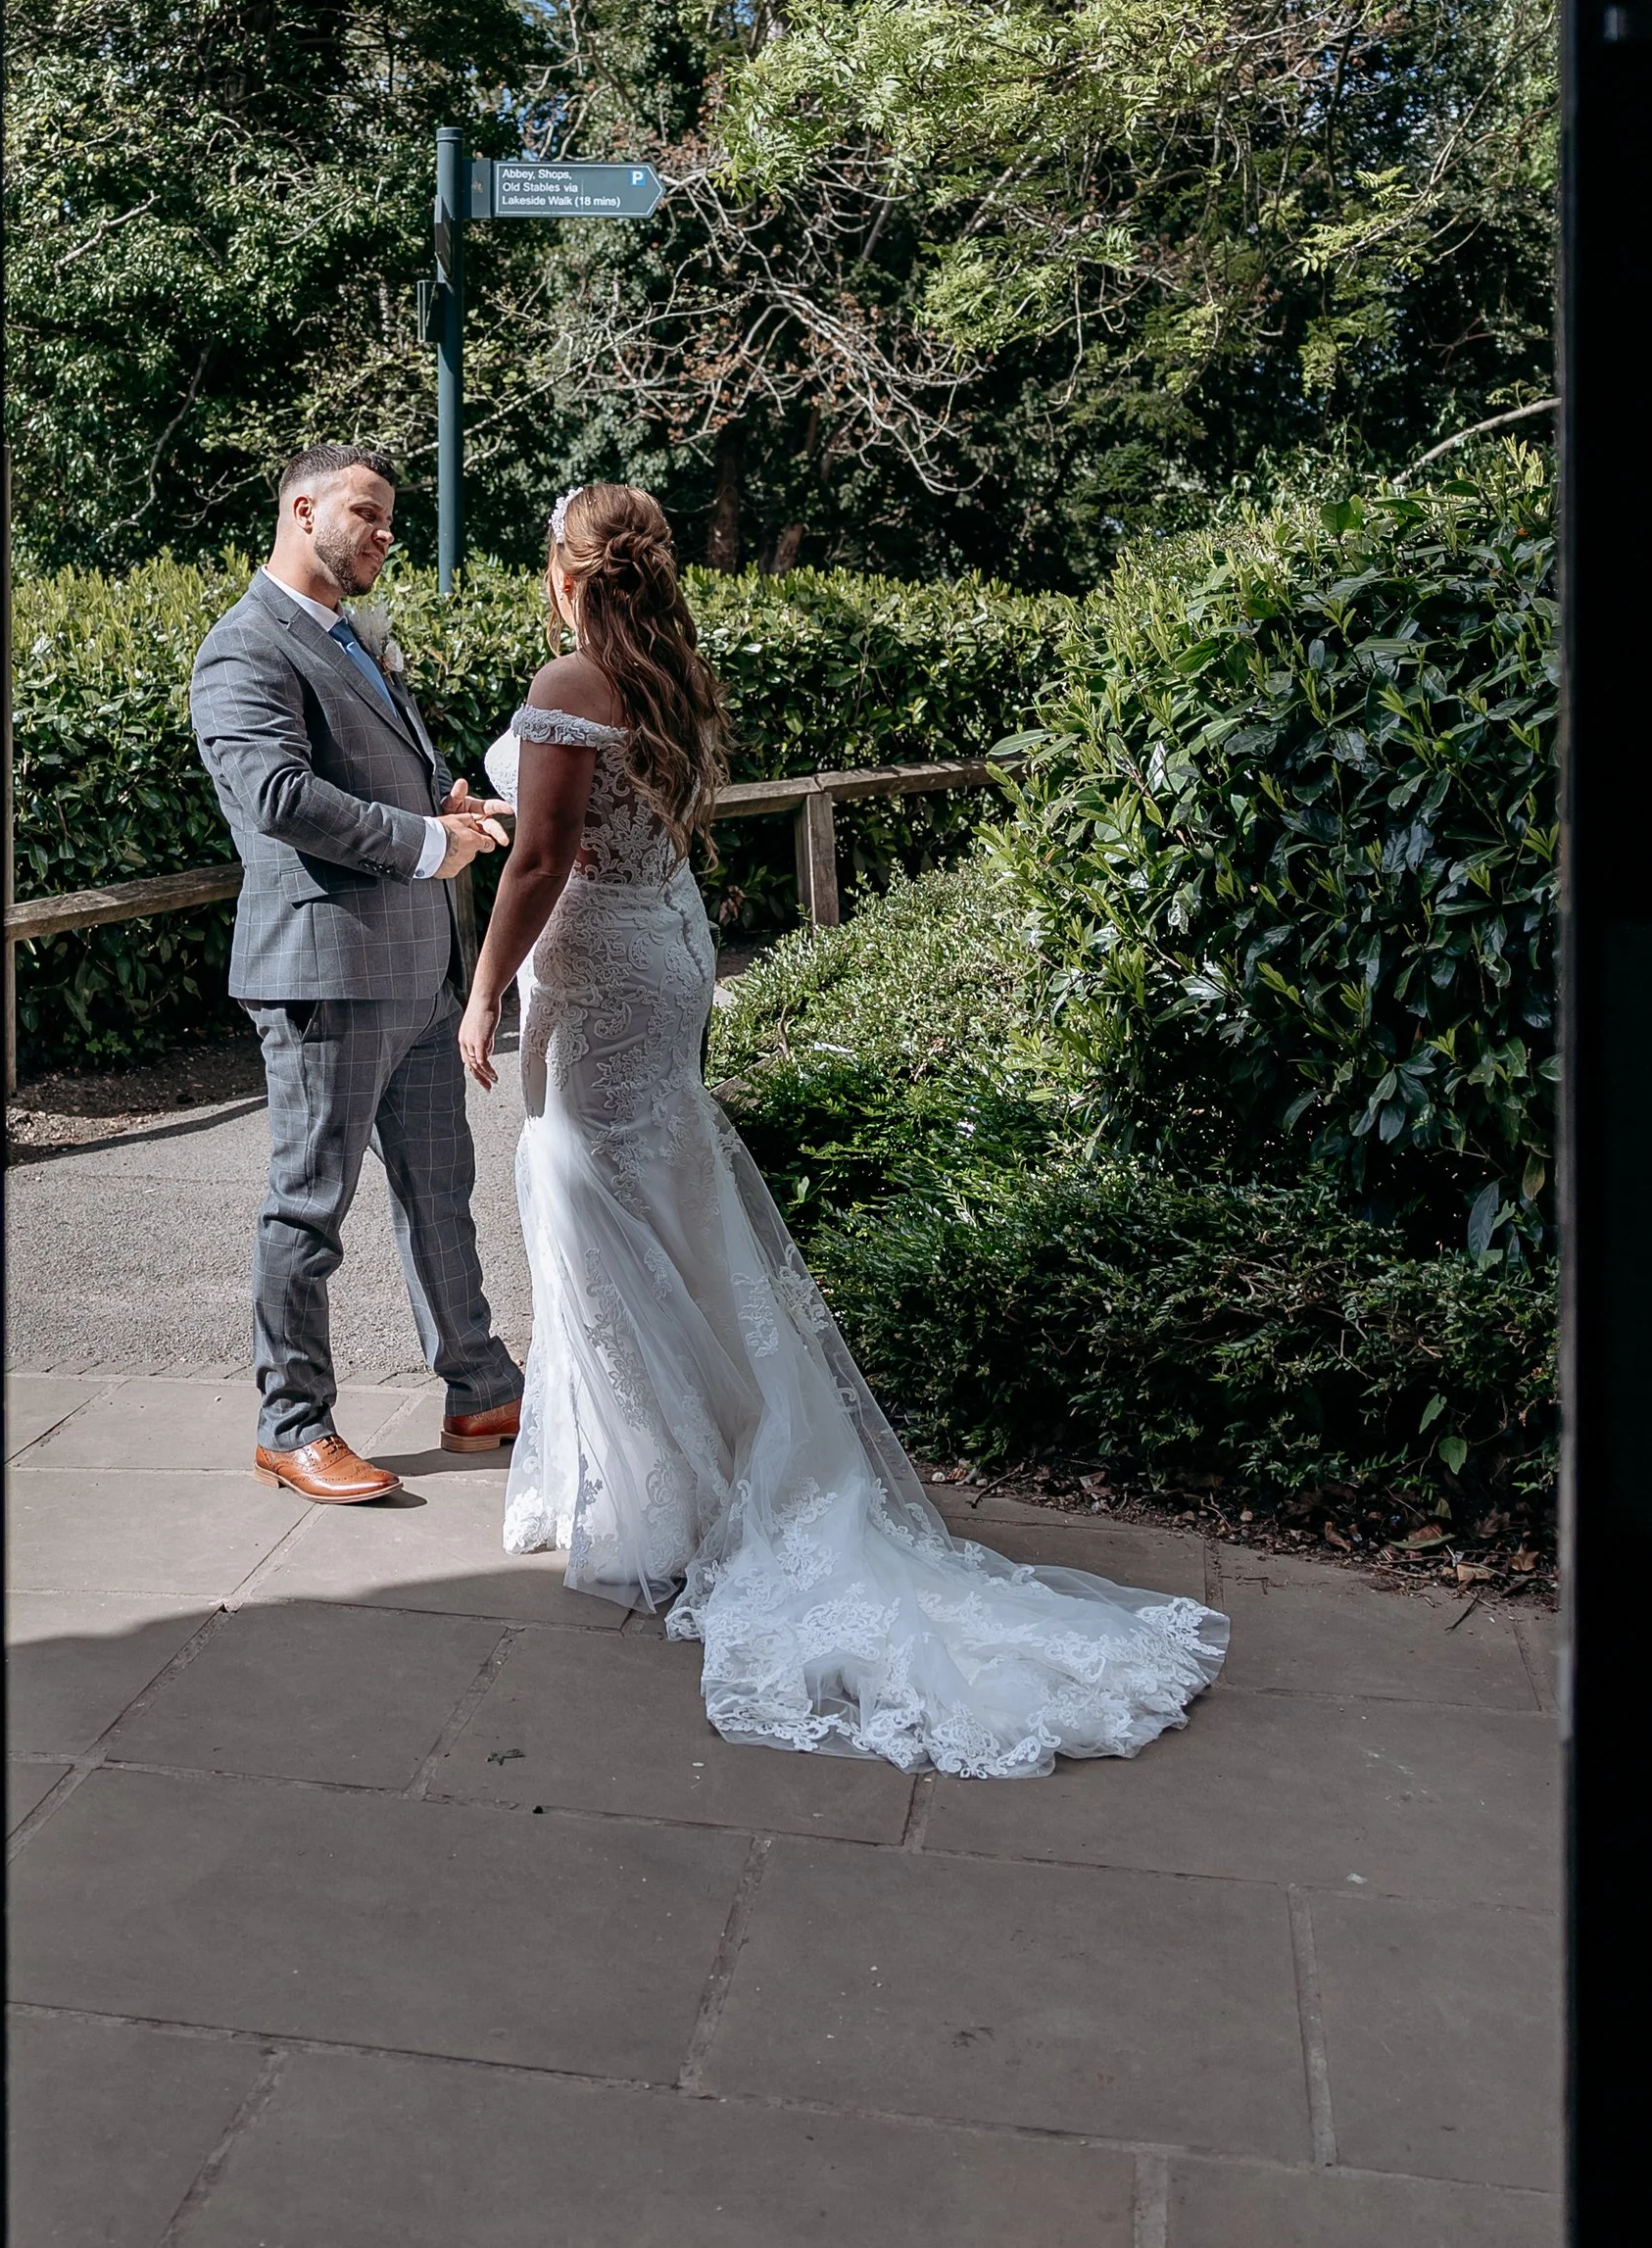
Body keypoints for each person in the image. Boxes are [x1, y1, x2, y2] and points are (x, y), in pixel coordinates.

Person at [457, 482, 1227, 1775]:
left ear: (569, 573)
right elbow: (608, 832)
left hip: (597, 983)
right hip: (663, 954)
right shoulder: (669, 678)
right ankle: (677, 1453)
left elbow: (539, 858)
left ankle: (660, 1498)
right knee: (661, 1191)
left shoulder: (571, 677)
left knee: (590, 1193)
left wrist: (482, 992)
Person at [191, 445, 526, 1504]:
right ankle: (291, 1423)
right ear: (301, 507)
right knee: (309, 1206)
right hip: (327, 973)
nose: (387, 533)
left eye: (389, 516)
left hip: (416, 967)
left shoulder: (354, 637)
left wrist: (452, 803)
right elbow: (280, 797)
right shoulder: (244, 645)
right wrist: (431, 842)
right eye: (368, 512)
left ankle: (480, 1388)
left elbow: (396, 777)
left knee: (443, 1195)